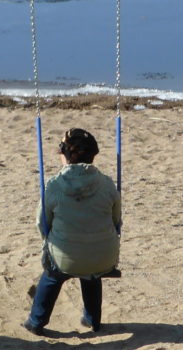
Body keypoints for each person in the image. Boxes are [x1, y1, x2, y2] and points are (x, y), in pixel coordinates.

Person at [23, 127, 121, 335]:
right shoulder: (107, 184)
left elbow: (42, 223)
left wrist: (50, 243)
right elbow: (116, 220)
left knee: (52, 272)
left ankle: (36, 321)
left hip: (66, 257)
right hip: (103, 256)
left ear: (64, 155)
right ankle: (93, 319)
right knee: (91, 273)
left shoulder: (54, 186)